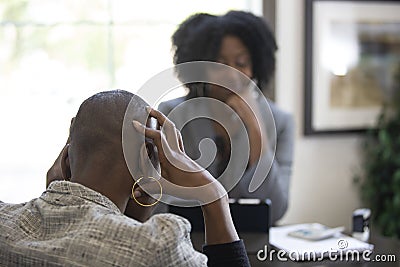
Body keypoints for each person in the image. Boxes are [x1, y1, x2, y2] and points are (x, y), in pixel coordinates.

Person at [0, 90, 250, 266]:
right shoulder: (156, 246)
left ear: (65, 160)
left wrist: (54, 195)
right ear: (145, 160)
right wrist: (213, 196)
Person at [158, 11, 295, 223]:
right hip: (187, 243)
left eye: (241, 63)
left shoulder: (281, 122)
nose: (231, 74)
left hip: (253, 246)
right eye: (218, 64)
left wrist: (255, 130)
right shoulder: (171, 115)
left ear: (256, 67)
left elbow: (275, 210)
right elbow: (160, 203)